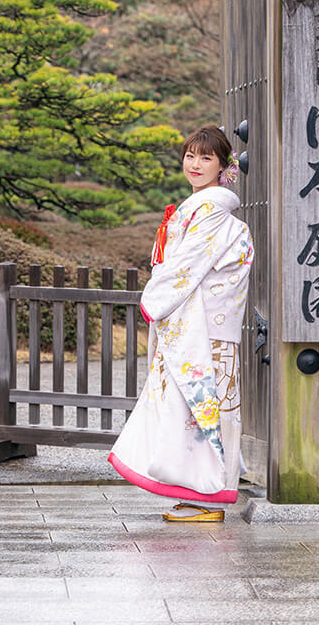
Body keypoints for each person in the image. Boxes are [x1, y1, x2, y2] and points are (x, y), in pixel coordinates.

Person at [107, 125, 254, 522]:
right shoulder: (201, 209)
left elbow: (185, 268)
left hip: (205, 330)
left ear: (223, 166)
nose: (195, 164)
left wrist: (152, 302)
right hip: (202, 327)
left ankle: (210, 498)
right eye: (190, 155)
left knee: (203, 409)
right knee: (190, 410)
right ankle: (197, 492)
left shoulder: (212, 214)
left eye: (206, 158)